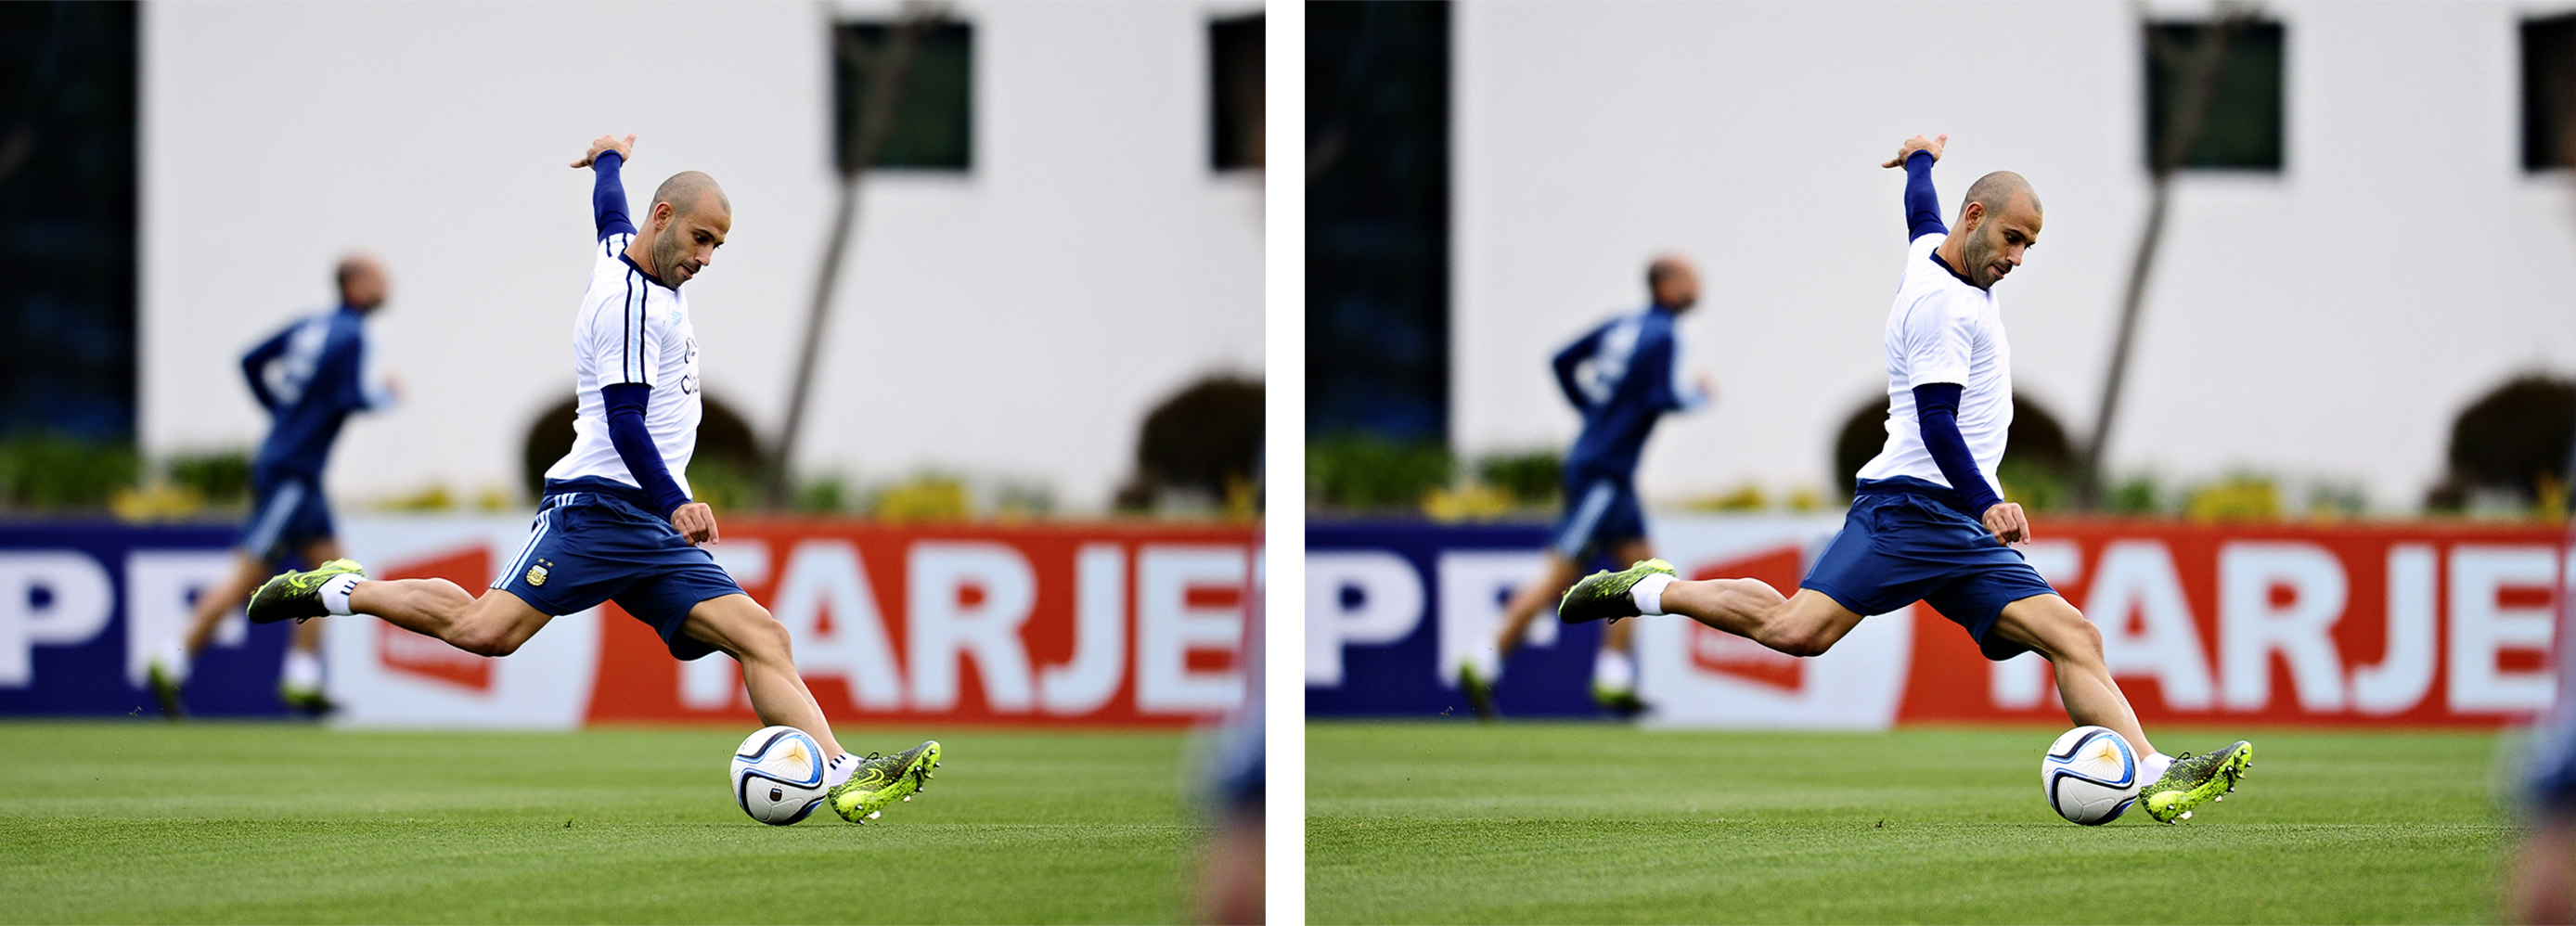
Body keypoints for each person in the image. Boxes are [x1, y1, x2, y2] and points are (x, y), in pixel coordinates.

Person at [243, 134, 941, 824]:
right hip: (597, 513)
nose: (704, 259)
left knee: (764, 636)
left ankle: (846, 775)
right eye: (700, 239)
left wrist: (607, 161)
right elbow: (625, 420)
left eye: (716, 248)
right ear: (663, 219)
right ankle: (338, 589)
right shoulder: (630, 306)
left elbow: (611, 214)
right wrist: (679, 502)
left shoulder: (627, 253)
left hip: (647, 526)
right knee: (487, 631)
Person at [1558, 134, 2253, 825]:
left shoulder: (1937, 254)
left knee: (2075, 635)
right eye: (2012, 239)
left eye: (2028, 248)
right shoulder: (1941, 309)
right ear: (1975, 217)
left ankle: (2159, 775)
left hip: (1956, 525)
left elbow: (1922, 214)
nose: (2016, 259)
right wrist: (1990, 502)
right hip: (1909, 512)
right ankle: (1649, 589)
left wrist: (1918, 161)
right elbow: (1936, 423)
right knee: (1798, 631)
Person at [1453, 255, 1710, 719]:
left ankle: (1612, 677)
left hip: (1605, 468)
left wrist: (1590, 410)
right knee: (1558, 576)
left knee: (1644, 569)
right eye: (1690, 279)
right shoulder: (1664, 333)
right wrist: (1697, 397)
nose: (1699, 286)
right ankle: (1484, 657)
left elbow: (1561, 361)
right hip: (1603, 472)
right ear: (1667, 287)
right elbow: (1659, 397)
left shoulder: (1624, 325)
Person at [146, 254, 399, 718]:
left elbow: (249, 360)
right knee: (247, 575)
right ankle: (172, 658)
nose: (388, 285)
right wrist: (385, 397)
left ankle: (301, 677)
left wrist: (278, 410)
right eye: (379, 278)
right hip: (292, 472)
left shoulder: (313, 325)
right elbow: (348, 396)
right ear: (355, 286)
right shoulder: (352, 333)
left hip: (293, 467)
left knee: (333, 568)